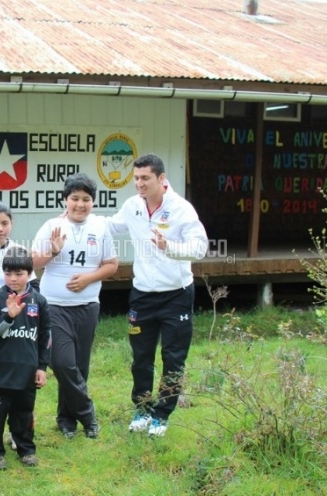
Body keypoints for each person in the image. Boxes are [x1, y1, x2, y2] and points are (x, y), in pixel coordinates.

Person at [105, 153, 208, 437]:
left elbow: (200, 247)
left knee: (173, 357)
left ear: (161, 179)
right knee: (141, 358)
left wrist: (170, 247)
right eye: (136, 178)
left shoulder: (181, 209)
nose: (139, 184)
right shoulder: (132, 206)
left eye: (145, 178)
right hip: (142, 295)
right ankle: (142, 408)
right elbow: (112, 226)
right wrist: (76, 216)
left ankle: (162, 415)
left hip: (177, 295)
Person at [31, 172, 118, 439]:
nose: (80, 204)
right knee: (62, 363)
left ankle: (66, 419)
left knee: (80, 367)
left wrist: (88, 279)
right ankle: (88, 414)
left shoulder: (101, 228)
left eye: (86, 199)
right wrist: (53, 251)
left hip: (87, 305)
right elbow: (33, 262)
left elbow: (112, 265)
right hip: (55, 306)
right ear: (65, 200)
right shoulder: (51, 227)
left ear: (93, 202)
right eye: (75, 198)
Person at [0, 247, 50, 470]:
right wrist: (9, 316)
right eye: (8, 273)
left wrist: (42, 367)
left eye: (19, 273)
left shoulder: (39, 301)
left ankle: (26, 449)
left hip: (27, 370)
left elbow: (45, 336)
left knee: (24, 412)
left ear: (29, 273)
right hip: (1, 371)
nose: (13, 278)